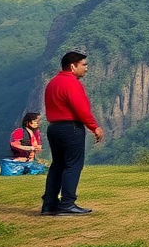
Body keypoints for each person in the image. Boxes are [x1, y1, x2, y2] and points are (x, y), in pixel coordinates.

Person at [41, 51, 104, 215]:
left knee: (57, 166)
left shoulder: (53, 83)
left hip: (54, 128)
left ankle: (49, 205)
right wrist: (94, 127)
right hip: (70, 128)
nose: (86, 68)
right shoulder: (72, 84)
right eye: (84, 65)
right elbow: (81, 109)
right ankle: (67, 204)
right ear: (72, 66)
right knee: (73, 165)